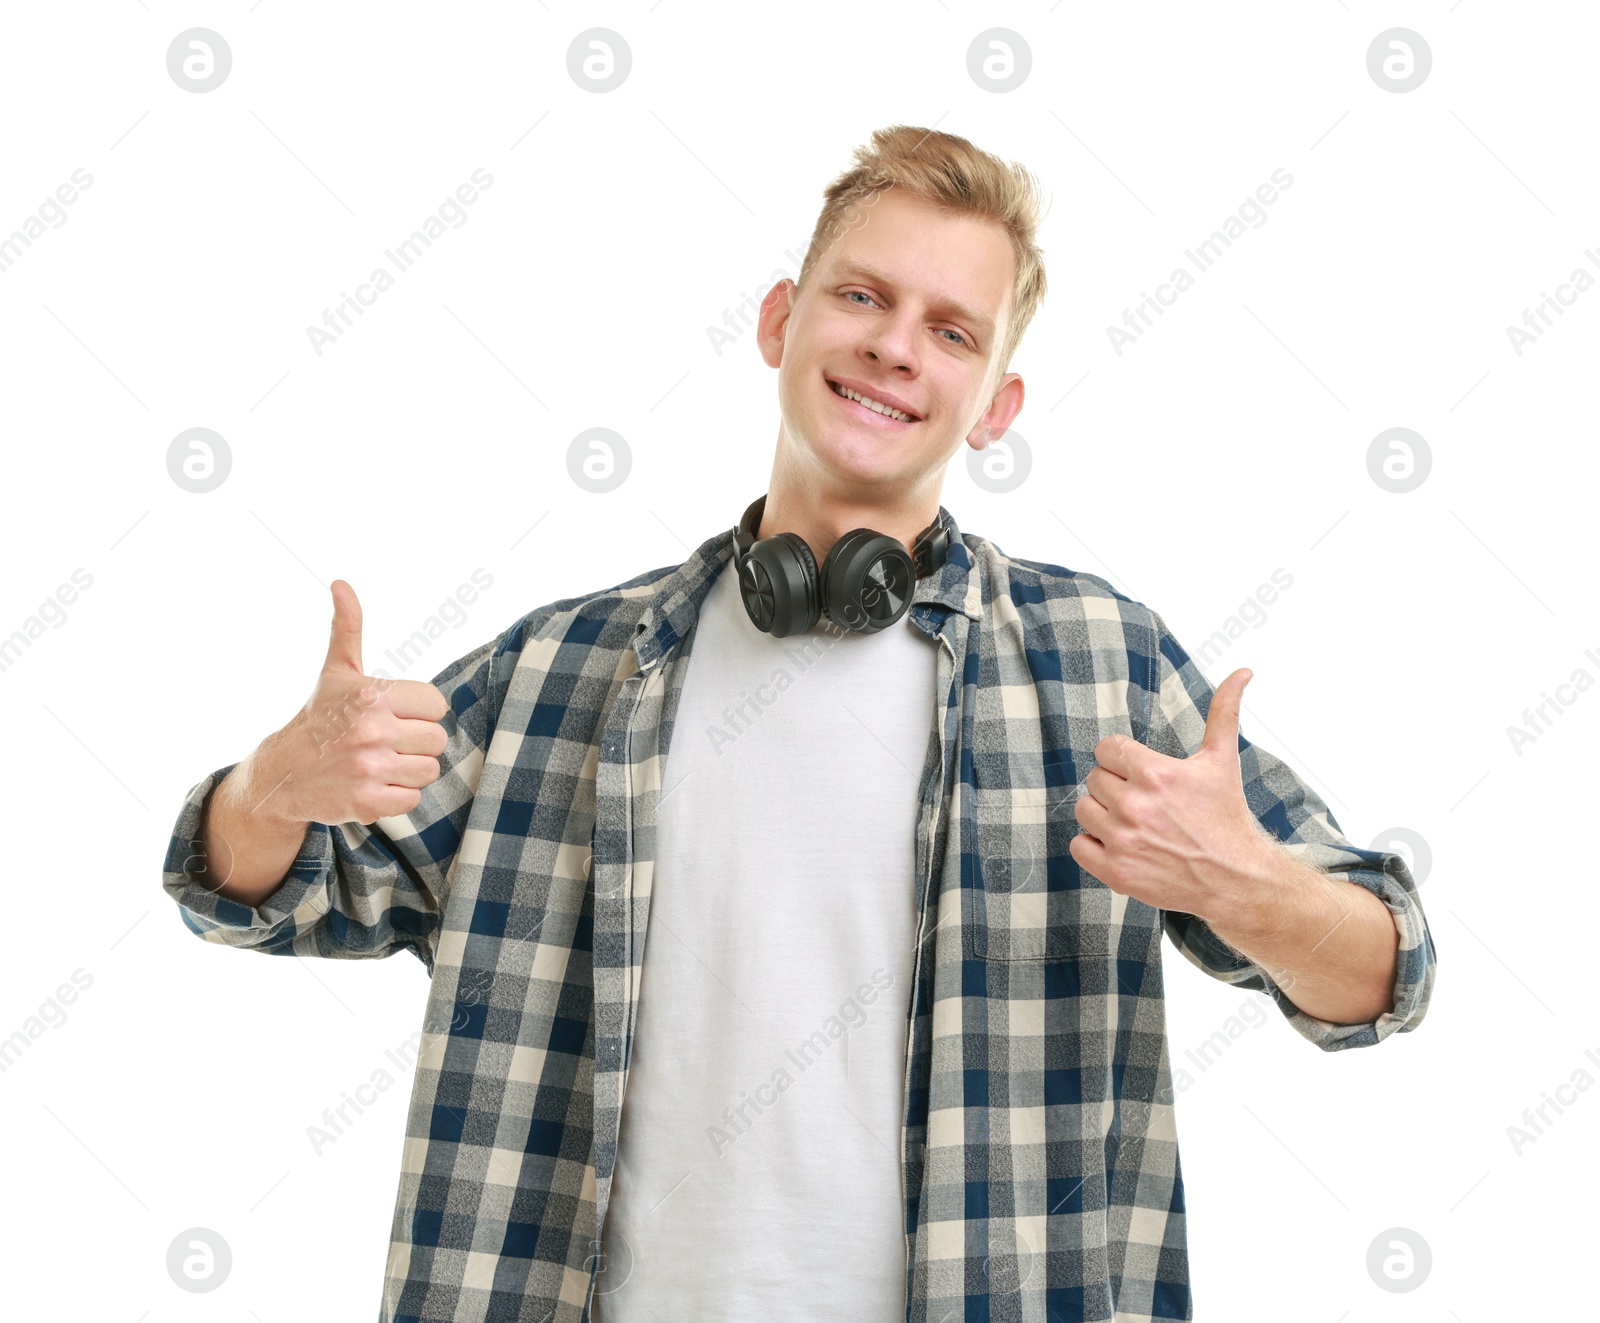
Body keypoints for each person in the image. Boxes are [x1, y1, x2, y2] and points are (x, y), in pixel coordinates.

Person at [161, 125, 1437, 1323]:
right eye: (863, 297)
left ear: (996, 406)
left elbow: (1385, 972)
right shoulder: (563, 670)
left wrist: (1249, 885)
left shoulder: (1098, 667)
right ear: (780, 321)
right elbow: (263, 893)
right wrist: (273, 789)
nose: (895, 349)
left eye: (952, 331)